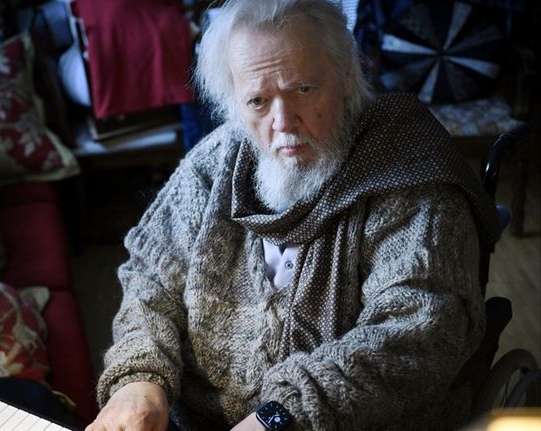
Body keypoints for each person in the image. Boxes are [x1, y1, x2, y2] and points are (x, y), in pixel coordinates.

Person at [85, 0, 501, 430]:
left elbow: (416, 330)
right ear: (234, 103)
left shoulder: (410, 176)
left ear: (344, 74)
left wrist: (281, 417)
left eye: (302, 89)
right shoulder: (214, 165)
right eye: (258, 101)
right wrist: (139, 378)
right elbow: (151, 277)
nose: (283, 122)